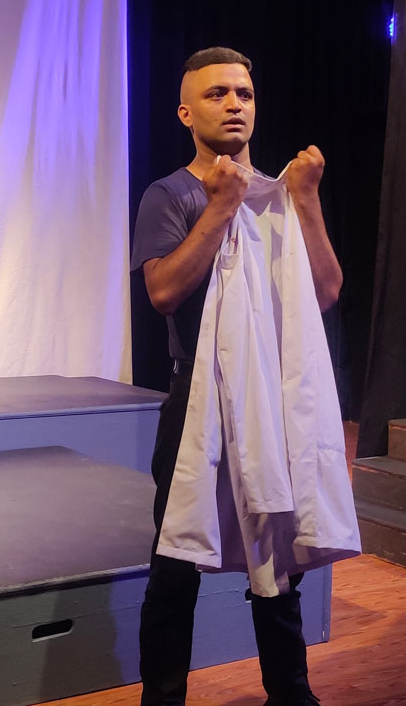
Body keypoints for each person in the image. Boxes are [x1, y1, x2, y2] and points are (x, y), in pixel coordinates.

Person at [130, 46, 343, 706]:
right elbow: (163, 291)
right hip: (195, 403)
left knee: (277, 561)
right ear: (185, 111)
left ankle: (292, 694)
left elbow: (326, 290)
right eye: (217, 93)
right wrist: (221, 207)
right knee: (176, 565)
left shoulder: (282, 194)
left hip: (269, 401)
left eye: (243, 94)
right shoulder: (170, 194)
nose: (233, 105)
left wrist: (306, 200)